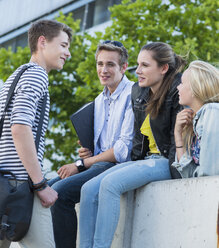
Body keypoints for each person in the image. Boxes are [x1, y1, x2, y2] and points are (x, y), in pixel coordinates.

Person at [79, 42, 185, 248]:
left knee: (110, 185)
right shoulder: (139, 92)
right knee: (88, 189)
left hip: (167, 162)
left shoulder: (176, 92)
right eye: (137, 64)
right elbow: (138, 142)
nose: (137, 71)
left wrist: (175, 171)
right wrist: (130, 166)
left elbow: (175, 143)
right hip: (145, 161)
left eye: (145, 65)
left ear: (163, 69)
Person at [49, 41, 135, 248]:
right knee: (45, 189)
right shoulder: (98, 100)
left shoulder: (133, 94)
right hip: (97, 163)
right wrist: (86, 151)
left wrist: (81, 164)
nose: (103, 70)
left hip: (115, 166)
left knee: (59, 194)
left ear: (123, 67)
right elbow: (97, 149)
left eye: (110, 65)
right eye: (100, 64)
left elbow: (122, 151)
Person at [0, 19, 72, 248]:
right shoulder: (36, 75)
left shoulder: (15, 76)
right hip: (19, 183)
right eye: (63, 45)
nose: (67, 53)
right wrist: (40, 184)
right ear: (42, 42)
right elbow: (20, 128)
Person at [172, 60, 219, 177]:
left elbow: (209, 174)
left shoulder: (212, 111)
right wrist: (178, 134)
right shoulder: (193, 124)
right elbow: (187, 174)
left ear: (195, 88)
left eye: (182, 83)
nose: (178, 87)